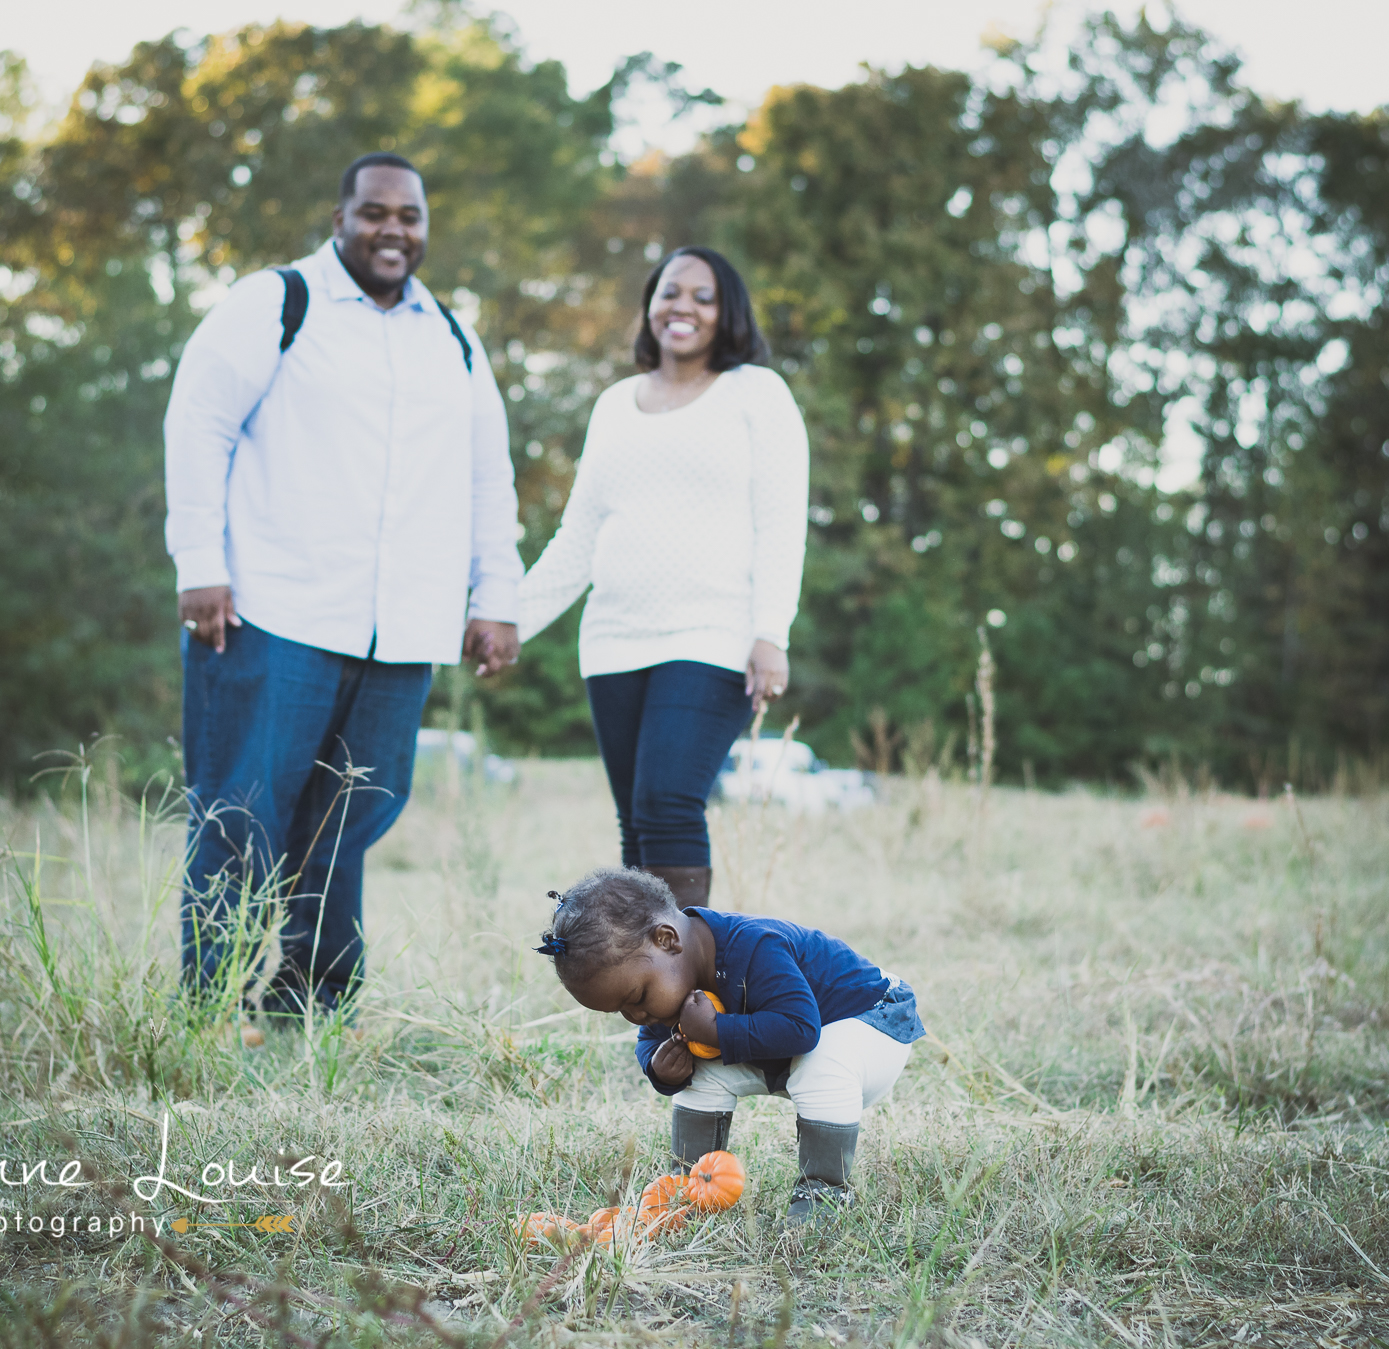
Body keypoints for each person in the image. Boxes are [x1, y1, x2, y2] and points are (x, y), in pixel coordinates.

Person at [163, 152, 521, 1020]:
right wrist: (198, 564)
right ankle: (207, 1009)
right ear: (340, 218)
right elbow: (197, 422)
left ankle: (310, 1006)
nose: (393, 229)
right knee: (241, 816)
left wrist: (495, 596)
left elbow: (487, 476)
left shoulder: (453, 337)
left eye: (410, 215)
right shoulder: (278, 302)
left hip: (402, 633)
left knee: (348, 824)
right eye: (374, 212)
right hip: (273, 612)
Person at [513, 247, 808, 908]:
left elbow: (783, 520)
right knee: (638, 825)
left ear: (727, 311)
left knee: (668, 800)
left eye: (704, 296)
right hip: (615, 639)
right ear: (650, 304)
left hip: (714, 634)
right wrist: (509, 623)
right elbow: (579, 534)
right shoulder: (616, 404)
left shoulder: (756, 393)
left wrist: (771, 632)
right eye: (671, 291)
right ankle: (650, 996)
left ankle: (693, 992)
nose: (684, 306)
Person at [534, 868, 924, 1225]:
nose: (636, 1016)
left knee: (822, 1061)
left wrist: (717, 1030)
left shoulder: (753, 947)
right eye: (620, 1010)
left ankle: (824, 1191)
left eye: (636, 997)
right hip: (794, 1047)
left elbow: (802, 1028)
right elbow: (650, 1044)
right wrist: (659, 1068)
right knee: (698, 1066)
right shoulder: (664, 988)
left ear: (666, 939)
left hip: (871, 1022)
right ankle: (690, 1183)